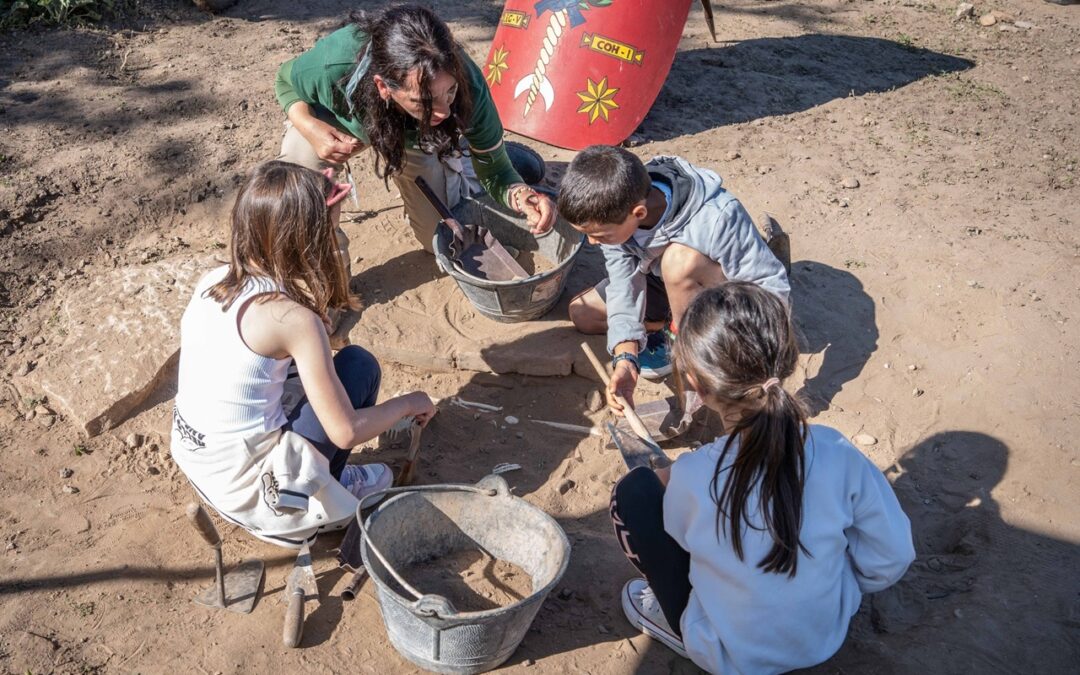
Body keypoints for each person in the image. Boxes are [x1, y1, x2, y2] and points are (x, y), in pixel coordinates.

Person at [609, 282, 915, 673]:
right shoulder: (836, 450)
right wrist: (841, 586)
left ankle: (685, 629)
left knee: (634, 493)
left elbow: (682, 543)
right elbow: (893, 556)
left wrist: (675, 478)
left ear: (697, 386)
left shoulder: (695, 475)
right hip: (826, 633)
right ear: (785, 360)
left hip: (732, 656)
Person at [170, 161, 436, 549]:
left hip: (202, 463)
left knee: (322, 371)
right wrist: (410, 402)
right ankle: (308, 502)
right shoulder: (293, 320)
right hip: (252, 493)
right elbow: (346, 430)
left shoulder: (216, 280)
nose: (334, 240)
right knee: (359, 368)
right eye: (330, 230)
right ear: (304, 240)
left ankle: (303, 485)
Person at [274, 4, 555, 263]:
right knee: (301, 179)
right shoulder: (331, 66)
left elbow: (497, 173)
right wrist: (307, 125)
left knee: (440, 240)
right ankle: (331, 276)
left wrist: (520, 193)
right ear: (384, 87)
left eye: (450, 92)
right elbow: (285, 80)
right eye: (425, 101)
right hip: (345, 121)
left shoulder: (469, 86)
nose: (444, 111)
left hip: (419, 139)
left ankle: (484, 154)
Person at [556, 145, 789, 411]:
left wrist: (757, 358)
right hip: (662, 279)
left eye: (600, 235)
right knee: (583, 314)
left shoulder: (716, 218)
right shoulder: (613, 212)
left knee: (678, 263)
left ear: (639, 213)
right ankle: (670, 331)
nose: (593, 242)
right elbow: (624, 285)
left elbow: (774, 290)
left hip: (719, 287)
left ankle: (689, 349)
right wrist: (625, 358)